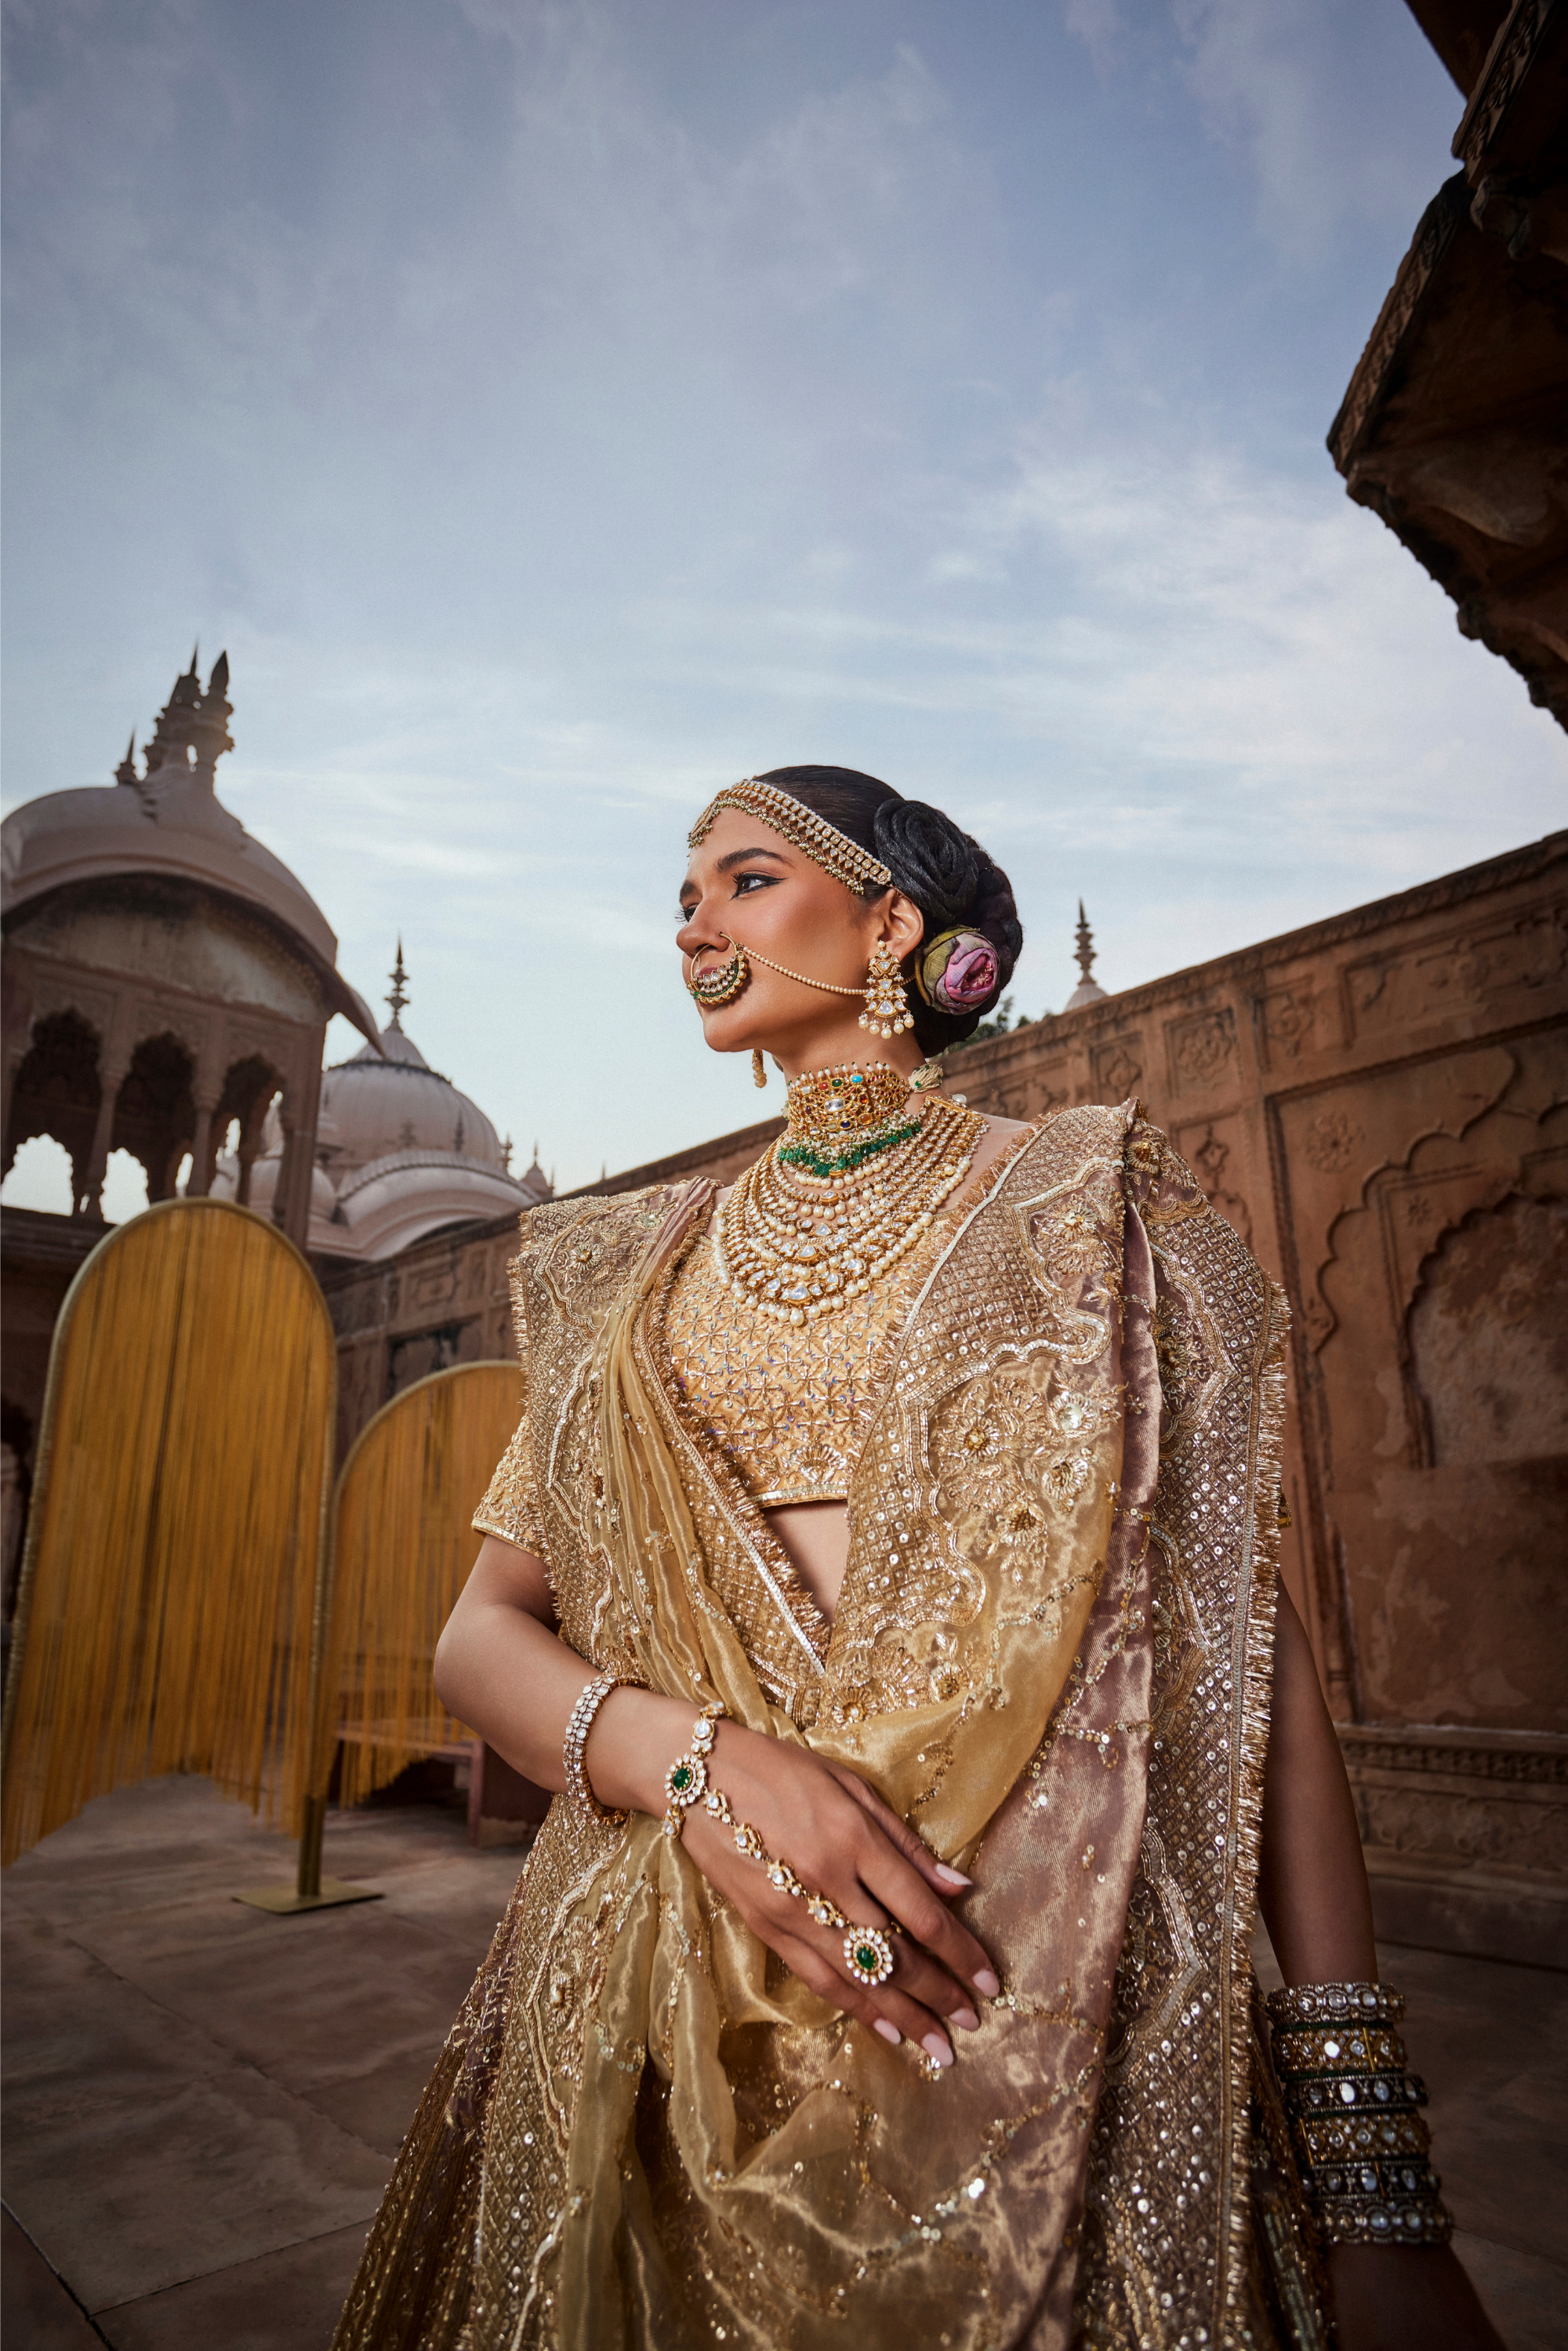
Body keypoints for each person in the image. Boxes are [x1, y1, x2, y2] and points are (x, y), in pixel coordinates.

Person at [332, 769, 1501, 2351]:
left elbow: (1246, 1660)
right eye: (684, 899)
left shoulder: (1087, 1210)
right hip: (652, 2013)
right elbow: (480, 1637)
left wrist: (1371, 2183)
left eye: (742, 880)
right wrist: (702, 1761)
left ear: (892, 922)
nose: (693, 927)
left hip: (1045, 1992)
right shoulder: (627, 1269)